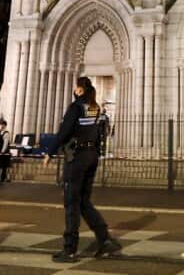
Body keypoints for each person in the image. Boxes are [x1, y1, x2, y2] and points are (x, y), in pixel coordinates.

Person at [43, 76, 122, 263]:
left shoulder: (76, 108)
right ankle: (104, 240)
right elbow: (102, 132)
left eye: (75, 88)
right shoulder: (96, 108)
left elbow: (64, 132)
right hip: (92, 156)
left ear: (79, 90)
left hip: (77, 157)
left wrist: (50, 152)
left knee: (71, 203)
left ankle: (70, 249)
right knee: (84, 201)